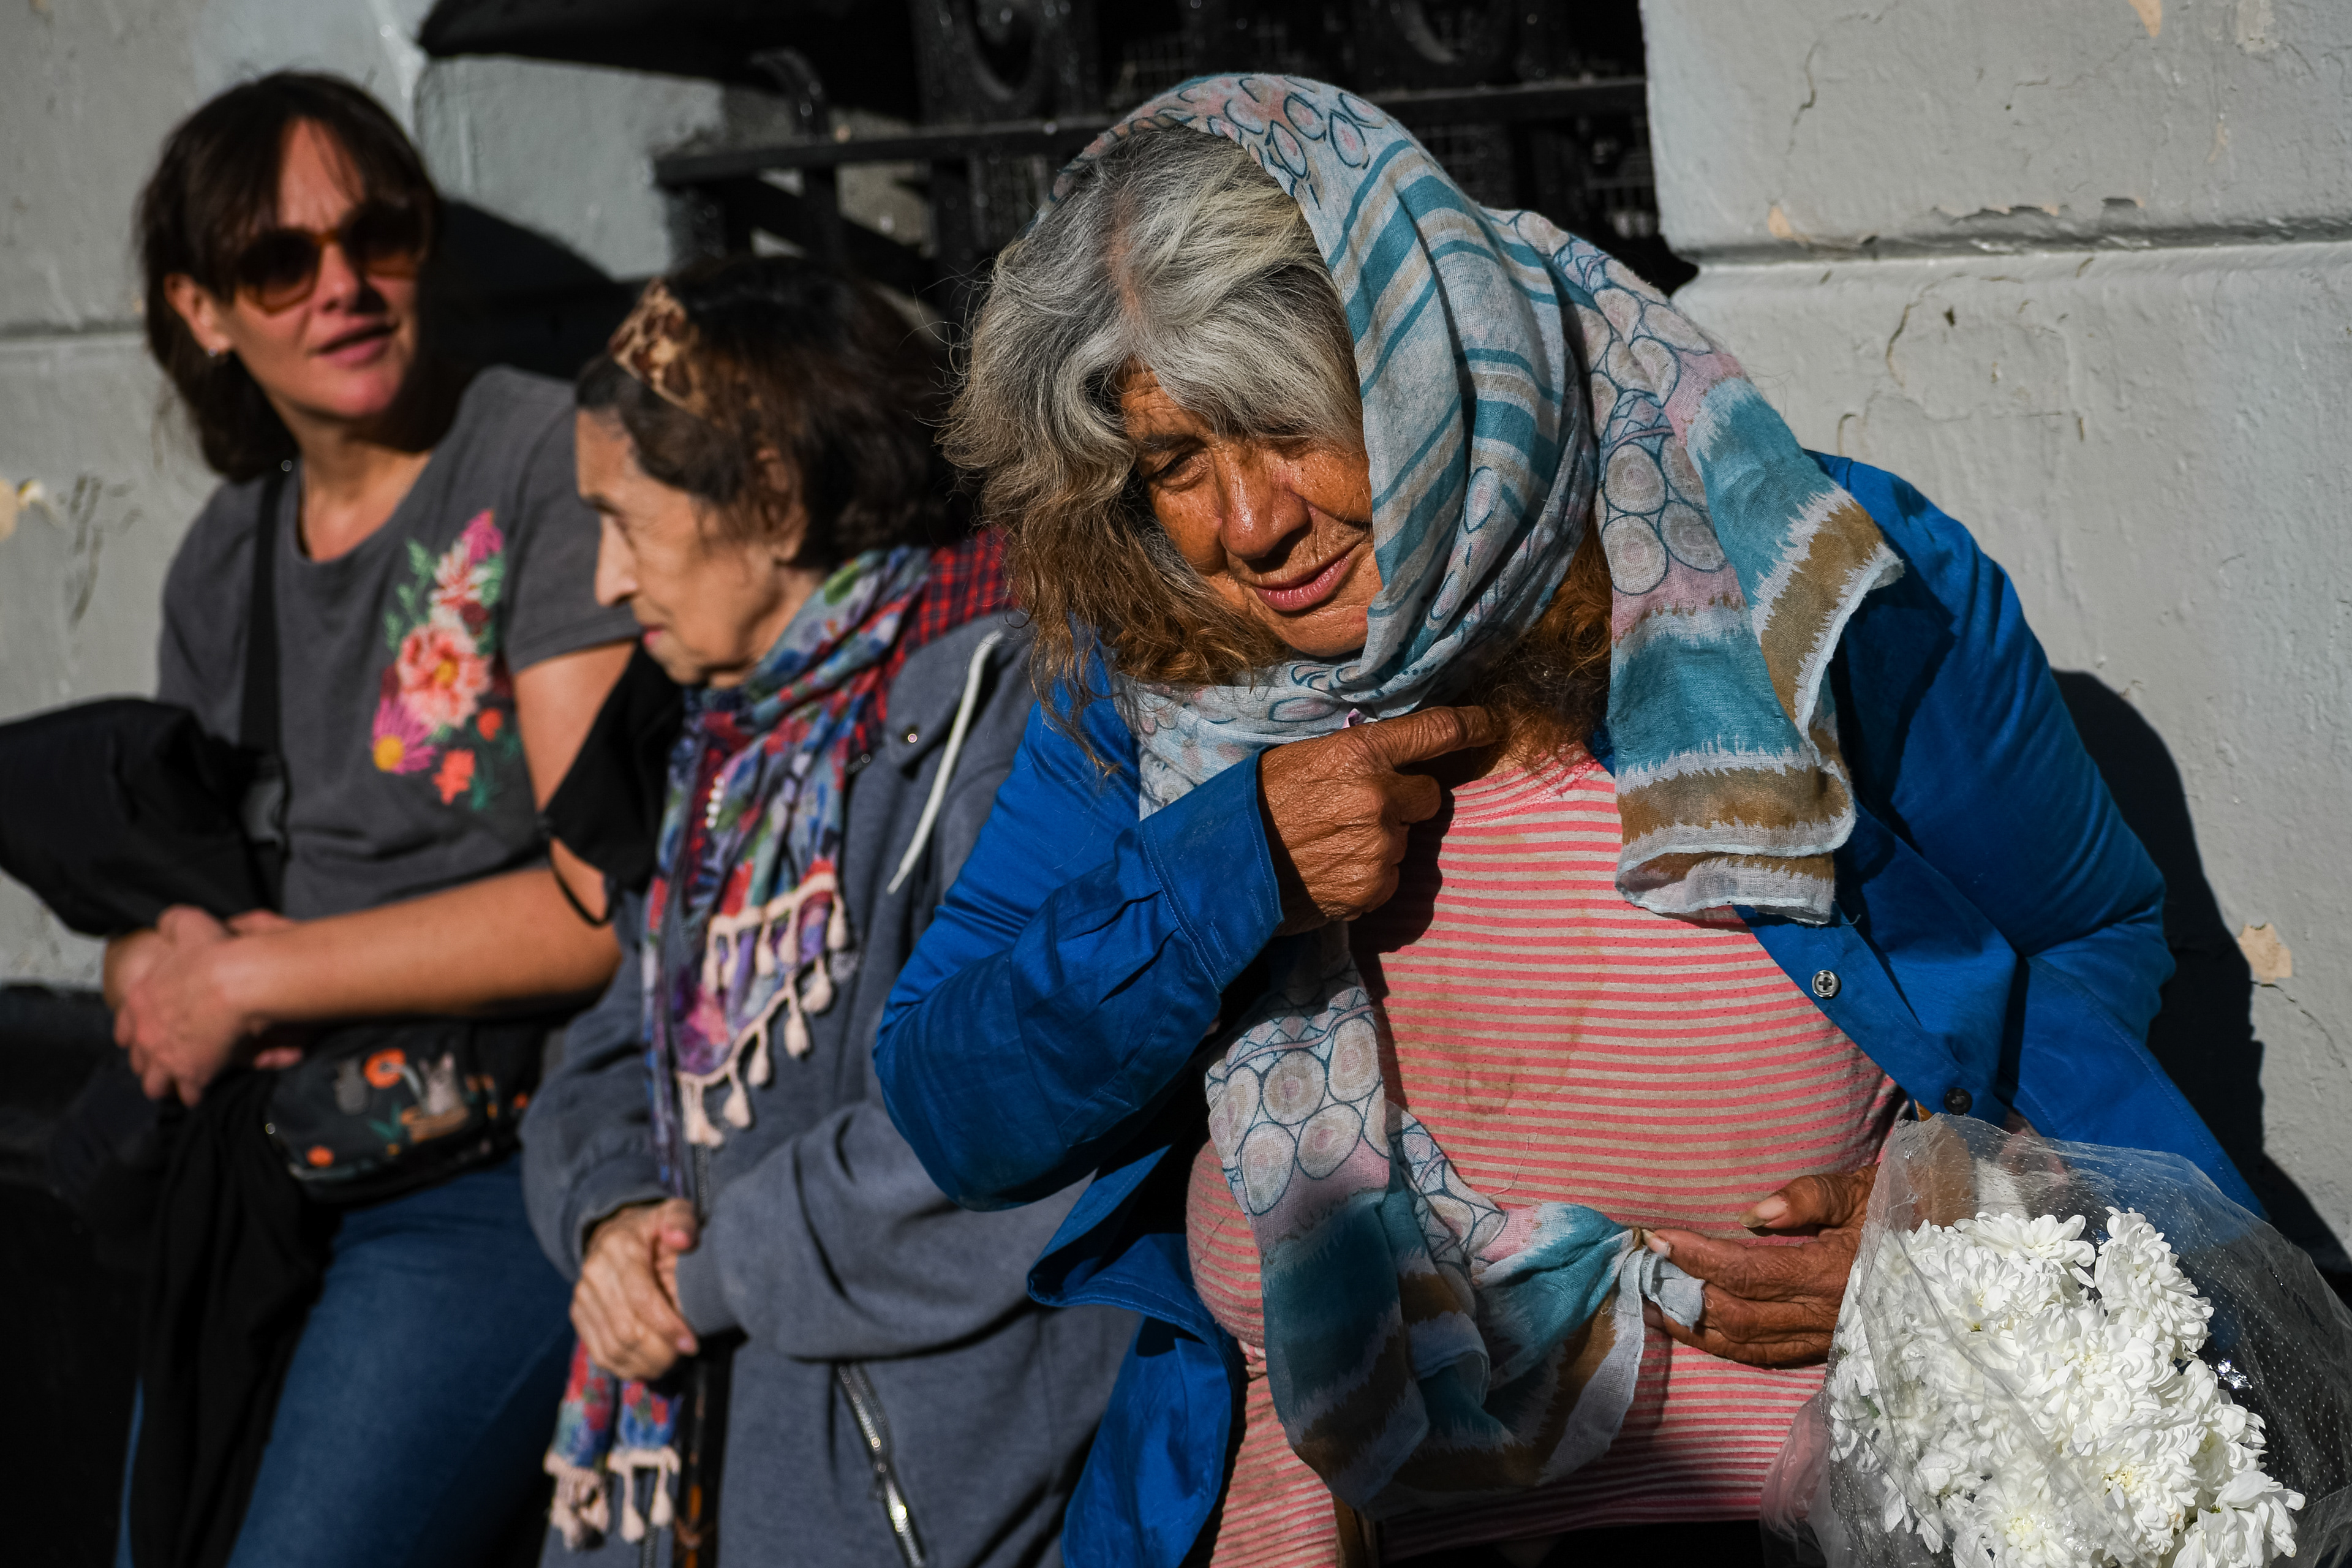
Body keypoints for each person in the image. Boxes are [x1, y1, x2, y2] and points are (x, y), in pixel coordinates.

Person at [873, 78, 2257, 1568]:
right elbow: (953, 1100)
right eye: (1175, 464)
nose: (1250, 523)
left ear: (1423, 357)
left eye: (1283, 426)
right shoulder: (1156, 686)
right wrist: (1232, 868)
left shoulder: (1788, 567)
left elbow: (2086, 936)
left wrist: (1958, 1221)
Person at [518, 257, 1133, 1568]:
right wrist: (611, 1217)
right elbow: (619, 1037)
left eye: (629, 521)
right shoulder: (721, 740)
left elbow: (1010, 1113)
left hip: (926, 1492)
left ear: (775, 498)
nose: (609, 579)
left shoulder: (1008, 714)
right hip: (731, 1447)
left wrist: (707, 1273)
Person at [111, 72, 637, 1567]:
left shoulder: (538, 461)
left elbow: (597, 902)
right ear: (205, 310)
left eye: (378, 234)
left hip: (495, 1155)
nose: (342, 285)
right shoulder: (225, 555)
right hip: (277, 1154)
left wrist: (250, 975)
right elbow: (195, 877)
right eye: (281, 260)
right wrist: (152, 971)